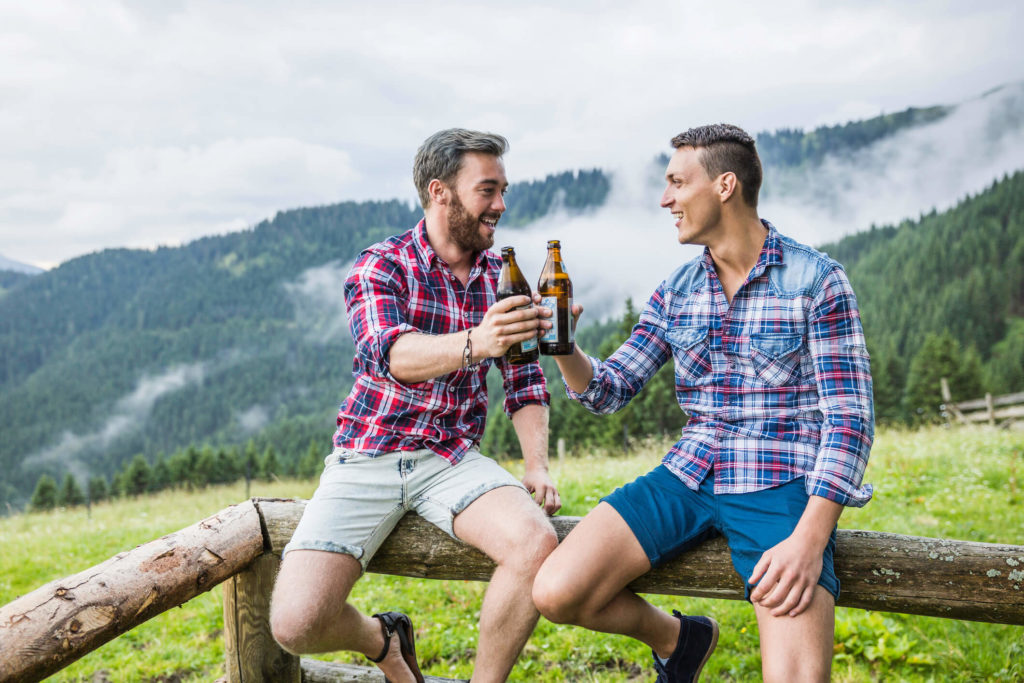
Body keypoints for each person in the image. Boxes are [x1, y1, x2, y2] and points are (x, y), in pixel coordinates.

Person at [531, 124, 874, 683]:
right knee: (556, 590)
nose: (666, 199)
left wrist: (810, 541)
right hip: (687, 472)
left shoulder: (817, 281)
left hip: (780, 480)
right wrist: (566, 346)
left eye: (676, 183)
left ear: (725, 185)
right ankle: (681, 639)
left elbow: (850, 422)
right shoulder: (678, 289)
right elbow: (610, 387)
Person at [270, 128, 562, 683]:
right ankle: (382, 639)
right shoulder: (380, 266)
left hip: (452, 458)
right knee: (295, 624)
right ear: (440, 191)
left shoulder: (503, 275)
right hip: (367, 455)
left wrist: (537, 464)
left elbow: (524, 379)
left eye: (503, 190)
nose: (500, 205)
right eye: (488, 190)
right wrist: (479, 340)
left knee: (535, 542)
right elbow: (391, 355)